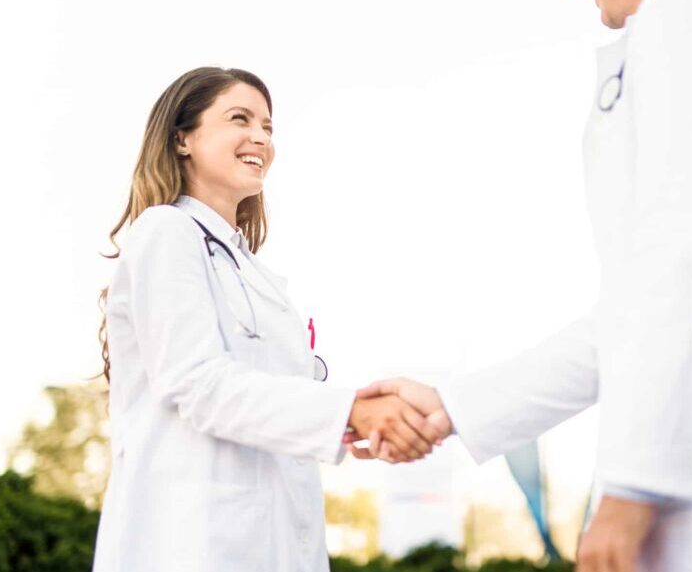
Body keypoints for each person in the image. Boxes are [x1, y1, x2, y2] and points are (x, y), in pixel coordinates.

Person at [354, 0, 692, 570]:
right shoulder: (677, 22)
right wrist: (453, 408)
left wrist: (635, 487)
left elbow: (691, 257)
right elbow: (634, 314)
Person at [92, 67, 440, 572]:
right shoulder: (166, 231)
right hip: (190, 545)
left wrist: (359, 421)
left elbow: (274, 403)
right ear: (183, 138)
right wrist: (350, 412)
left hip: (273, 544)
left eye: (268, 127)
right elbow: (197, 383)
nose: (260, 137)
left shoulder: (252, 271)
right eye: (240, 119)